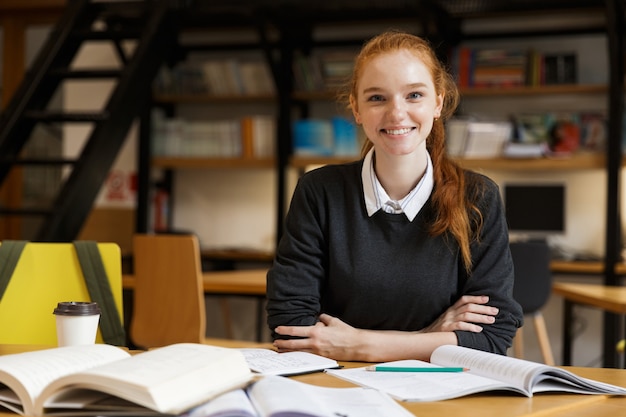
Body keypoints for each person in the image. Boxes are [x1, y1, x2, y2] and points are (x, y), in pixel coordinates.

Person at [266, 30, 523, 362]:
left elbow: (493, 336)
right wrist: (429, 336)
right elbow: (290, 327)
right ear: (356, 109)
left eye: (414, 95)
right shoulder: (318, 191)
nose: (397, 113)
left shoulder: (477, 197)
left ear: (438, 103)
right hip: (338, 385)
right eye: (377, 98)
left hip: (438, 392)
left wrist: (362, 344)